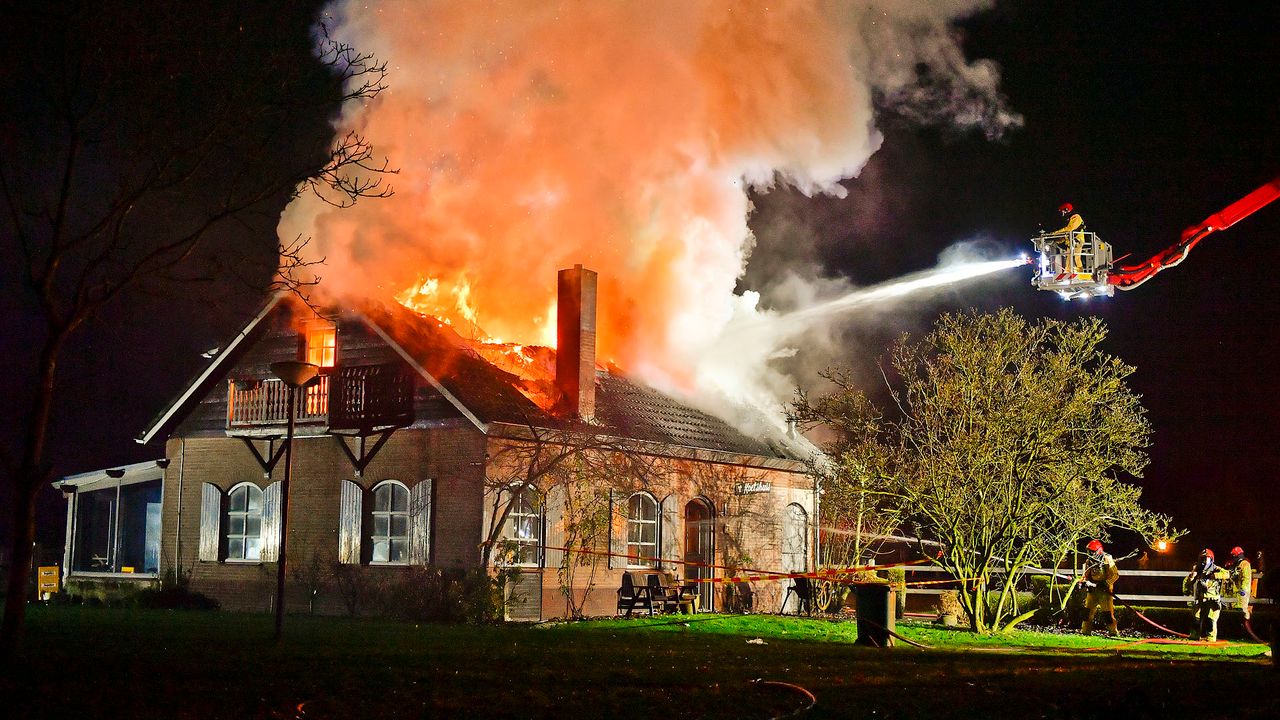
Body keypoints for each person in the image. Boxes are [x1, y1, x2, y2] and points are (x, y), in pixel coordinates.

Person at [1183, 548, 1230, 641]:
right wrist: (1191, 577)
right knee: (1196, 618)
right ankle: (1194, 636)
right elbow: (1188, 582)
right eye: (1203, 559)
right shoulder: (1197, 570)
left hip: (1213, 599)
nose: (1205, 561)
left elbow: (1227, 574)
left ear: (1211, 559)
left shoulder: (1216, 569)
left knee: (1211, 620)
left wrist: (1215, 575)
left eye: (1207, 559)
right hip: (1200, 599)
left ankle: (1211, 638)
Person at [1080, 539, 1119, 635]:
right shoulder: (1089, 561)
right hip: (1092, 590)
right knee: (1087, 613)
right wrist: (1084, 582)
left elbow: (1115, 575)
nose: (1090, 553)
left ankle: (1113, 632)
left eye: (1092, 551)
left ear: (1098, 550)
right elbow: (1085, 575)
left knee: (1107, 614)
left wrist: (1106, 583)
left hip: (1105, 592)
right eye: (1089, 551)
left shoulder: (1107, 559)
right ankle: (1085, 631)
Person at [1053, 202, 1087, 274]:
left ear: (1067, 210)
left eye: (1063, 211)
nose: (1063, 213)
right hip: (1070, 241)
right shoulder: (1070, 218)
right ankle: (1067, 271)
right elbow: (1067, 233)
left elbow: (1069, 229)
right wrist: (1058, 240)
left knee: (1076, 256)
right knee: (1068, 257)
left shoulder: (1076, 217)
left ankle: (1080, 270)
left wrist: (1055, 233)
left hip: (1077, 240)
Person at [1226, 546, 1253, 620]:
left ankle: (1245, 623)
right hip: (1236, 592)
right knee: (1236, 612)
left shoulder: (1245, 564)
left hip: (1242, 593)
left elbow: (1246, 578)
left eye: (1233, 556)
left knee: (1242, 611)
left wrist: (1243, 590)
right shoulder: (1237, 564)